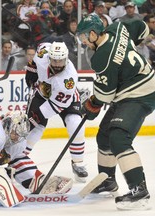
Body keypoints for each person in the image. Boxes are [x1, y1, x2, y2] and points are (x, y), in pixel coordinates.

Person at [76, 14, 155, 210]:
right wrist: (127, 50)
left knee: (119, 137)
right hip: (131, 89)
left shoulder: (101, 58)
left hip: (141, 92)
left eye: (85, 36)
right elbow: (142, 27)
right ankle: (108, 180)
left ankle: (140, 192)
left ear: (94, 33)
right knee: (104, 136)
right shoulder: (119, 28)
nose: (83, 41)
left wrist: (91, 105)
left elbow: (104, 96)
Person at [24, 41, 88, 183]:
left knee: (75, 123)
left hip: (65, 100)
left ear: (66, 59)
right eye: (54, 60)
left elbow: (56, 106)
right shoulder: (42, 54)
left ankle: (78, 163)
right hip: (41, 93)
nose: (57, 64)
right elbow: (39, 51)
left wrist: (38, 115)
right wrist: (32, 69)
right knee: (33, 129)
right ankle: (19, 159)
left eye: (61, 61)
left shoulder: (68, 79)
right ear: (49, 57)